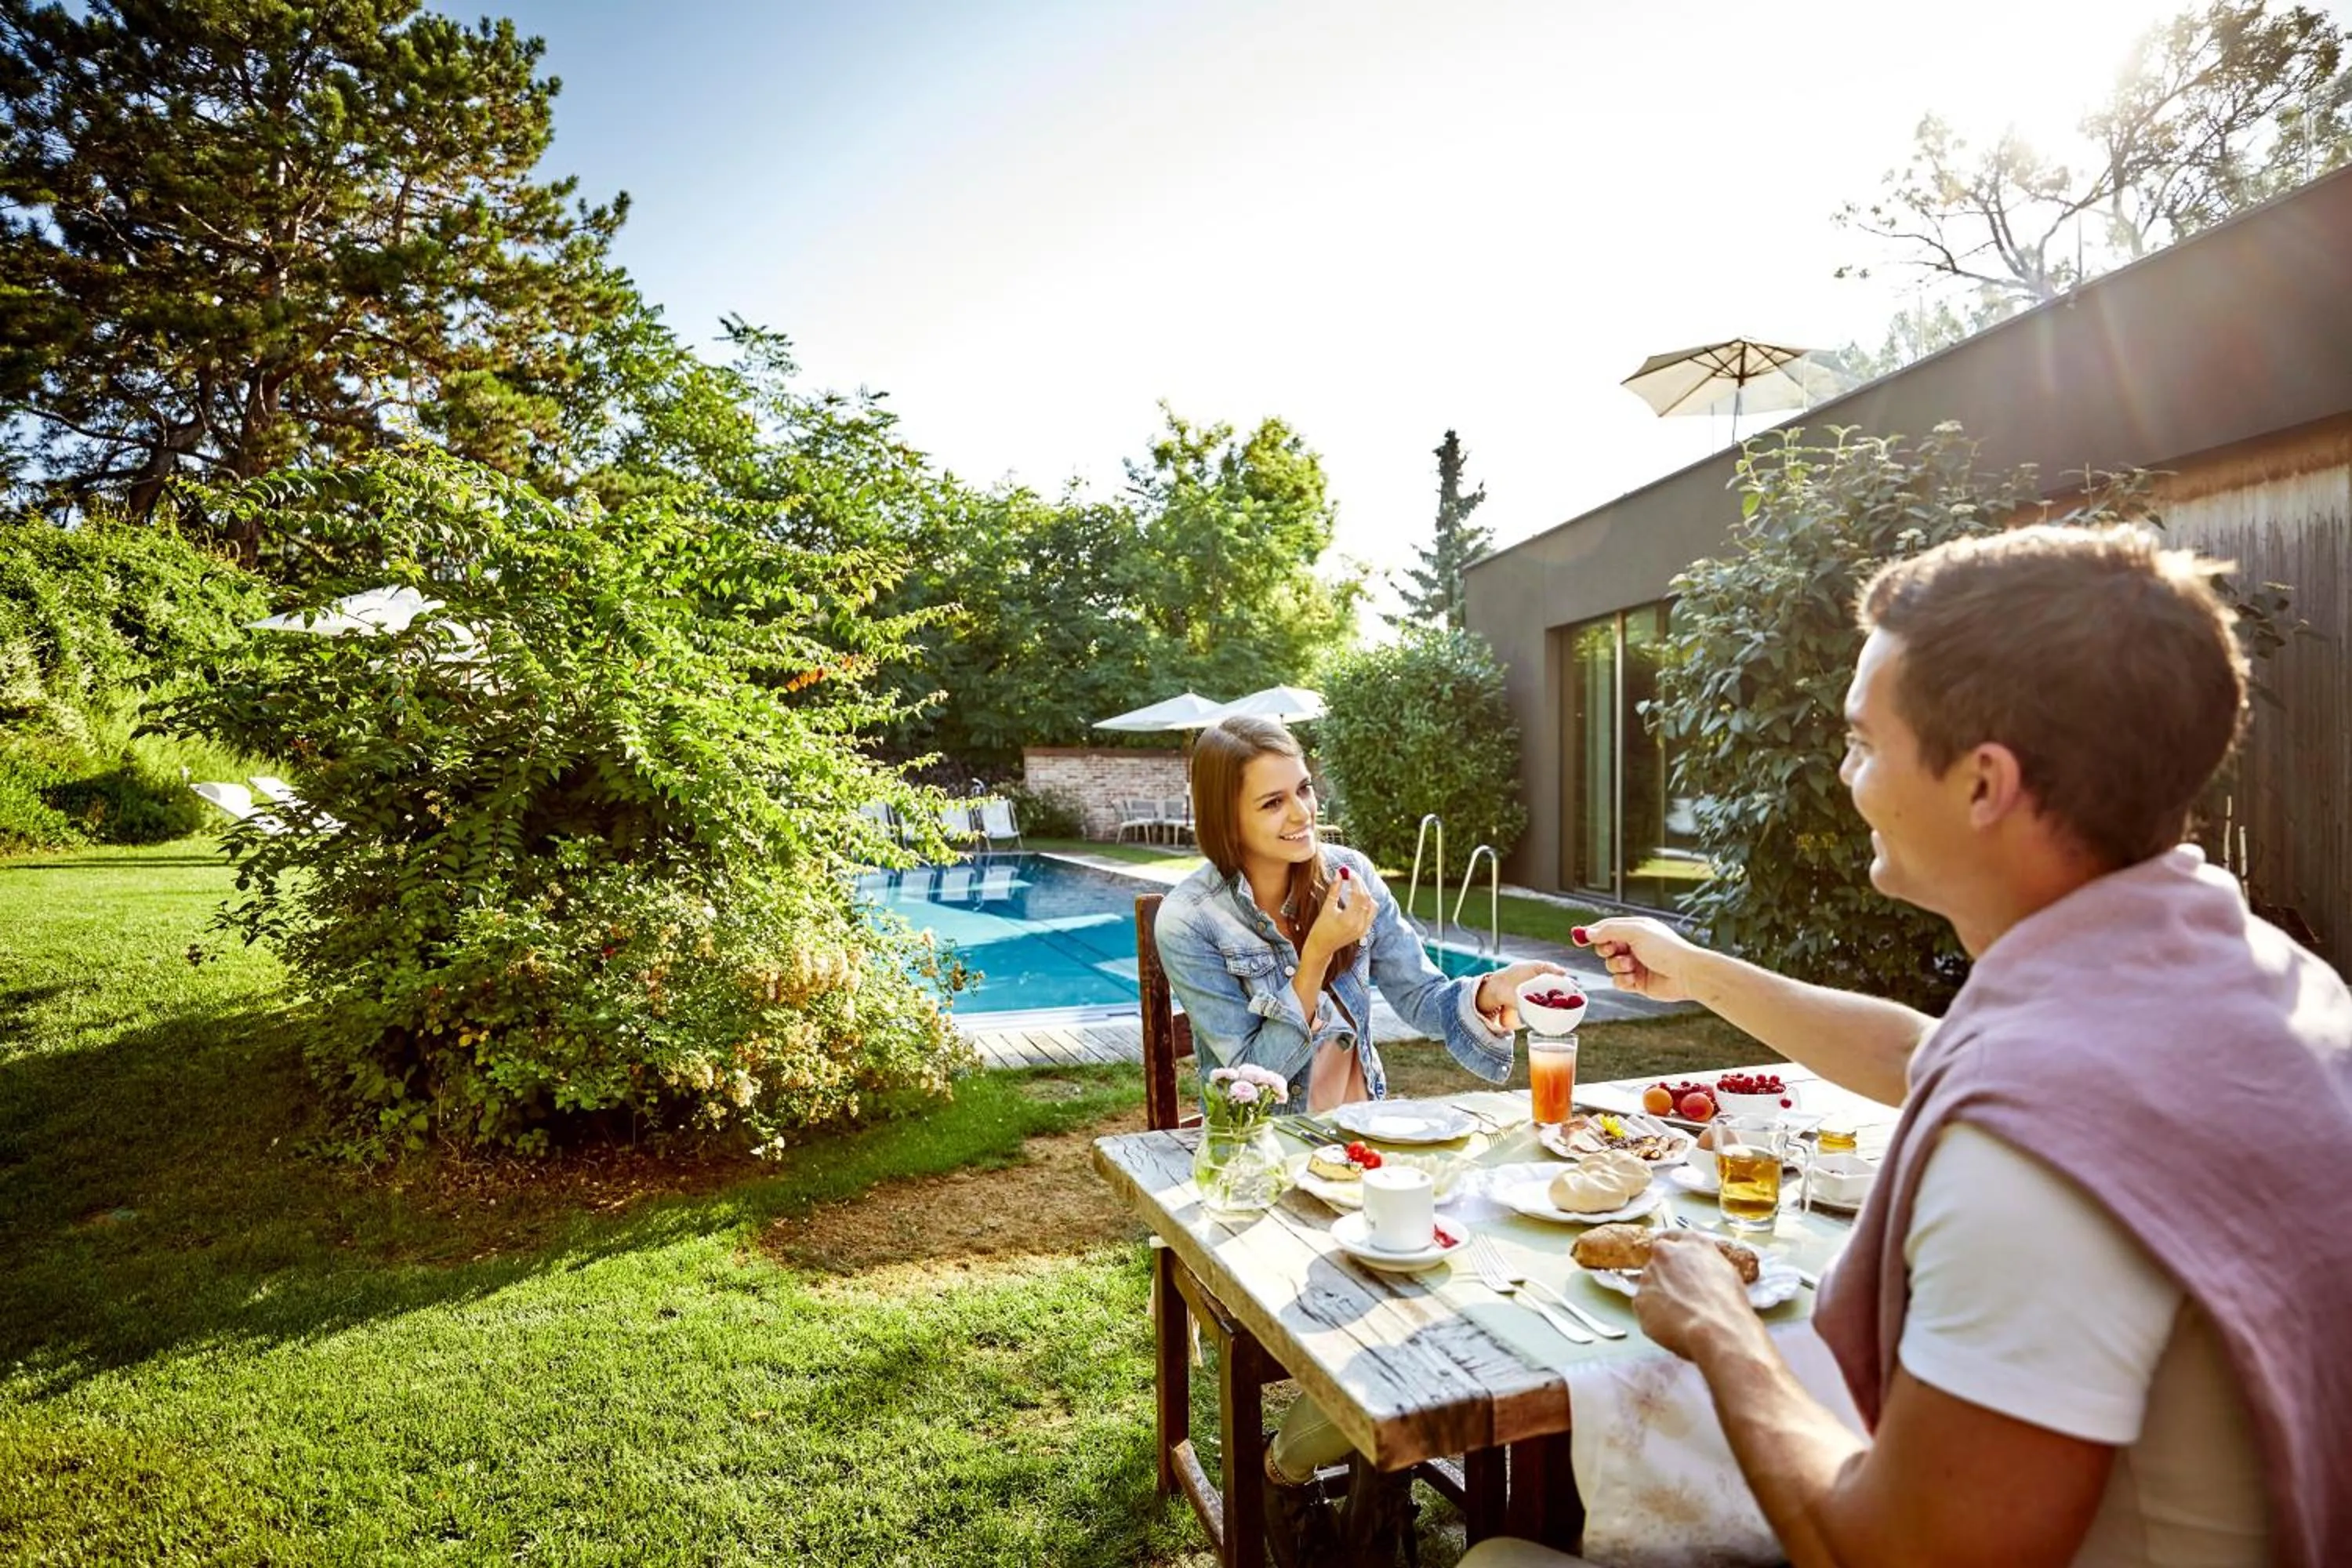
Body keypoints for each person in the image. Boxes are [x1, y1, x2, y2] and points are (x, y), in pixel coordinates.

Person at [1465, 524, 2352, 1568]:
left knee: (1495, 1563)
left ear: (1983, 784)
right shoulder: (2264, 994)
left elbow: (1892, 1551)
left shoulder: (2034, 1160)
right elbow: (1923, 1054)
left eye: (1863, 741)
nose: (1848, 776)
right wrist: (1694, 968)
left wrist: (1719, 1329)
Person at [1154, 713, 1568, 1566]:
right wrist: (1314, 959)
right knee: (1385, 1306)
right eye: (1273, 801)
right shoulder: (1191, 920)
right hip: (1258, 1162)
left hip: (1363, 1148)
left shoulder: (1350, 875)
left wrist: (1495, 989)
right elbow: (1245, 1087)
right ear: (1224, 820)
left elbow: (1422, 995)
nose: (1302, 812)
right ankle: (1319, 1477)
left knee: (1455, 1271)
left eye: (1304, 786)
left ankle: (1320, 1468)